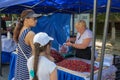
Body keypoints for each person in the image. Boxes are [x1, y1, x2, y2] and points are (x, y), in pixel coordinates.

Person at [13, 9, 40, 80]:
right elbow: (35, 56)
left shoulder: (20, 31)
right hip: (27, 71)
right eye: (34, 19)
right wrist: (34, 74)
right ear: (26, 19)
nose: (36, 21)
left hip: (19, 70)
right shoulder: (30, 34)